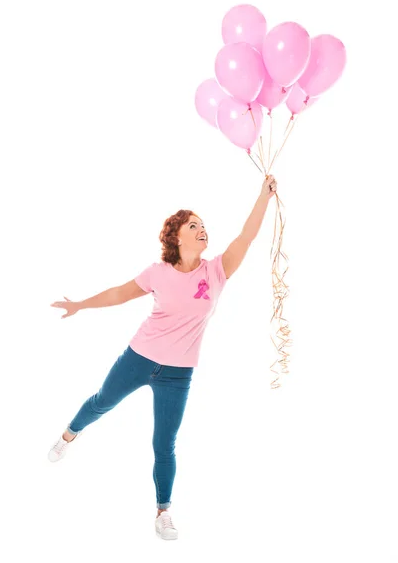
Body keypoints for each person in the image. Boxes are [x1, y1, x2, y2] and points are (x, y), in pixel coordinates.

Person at [48, 174, 278, 540]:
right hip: (138, 357)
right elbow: (119, 294)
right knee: (102, 402)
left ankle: (163, 512)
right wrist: (80, 305)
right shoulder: (158, 273)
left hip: (178, 374)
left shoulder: (217, 271)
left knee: (164, 444)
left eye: (204, 225)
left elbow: (246, 236)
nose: (203, 230)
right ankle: (68, 434)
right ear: (177, 236)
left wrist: (263, 196)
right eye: (194, 225)